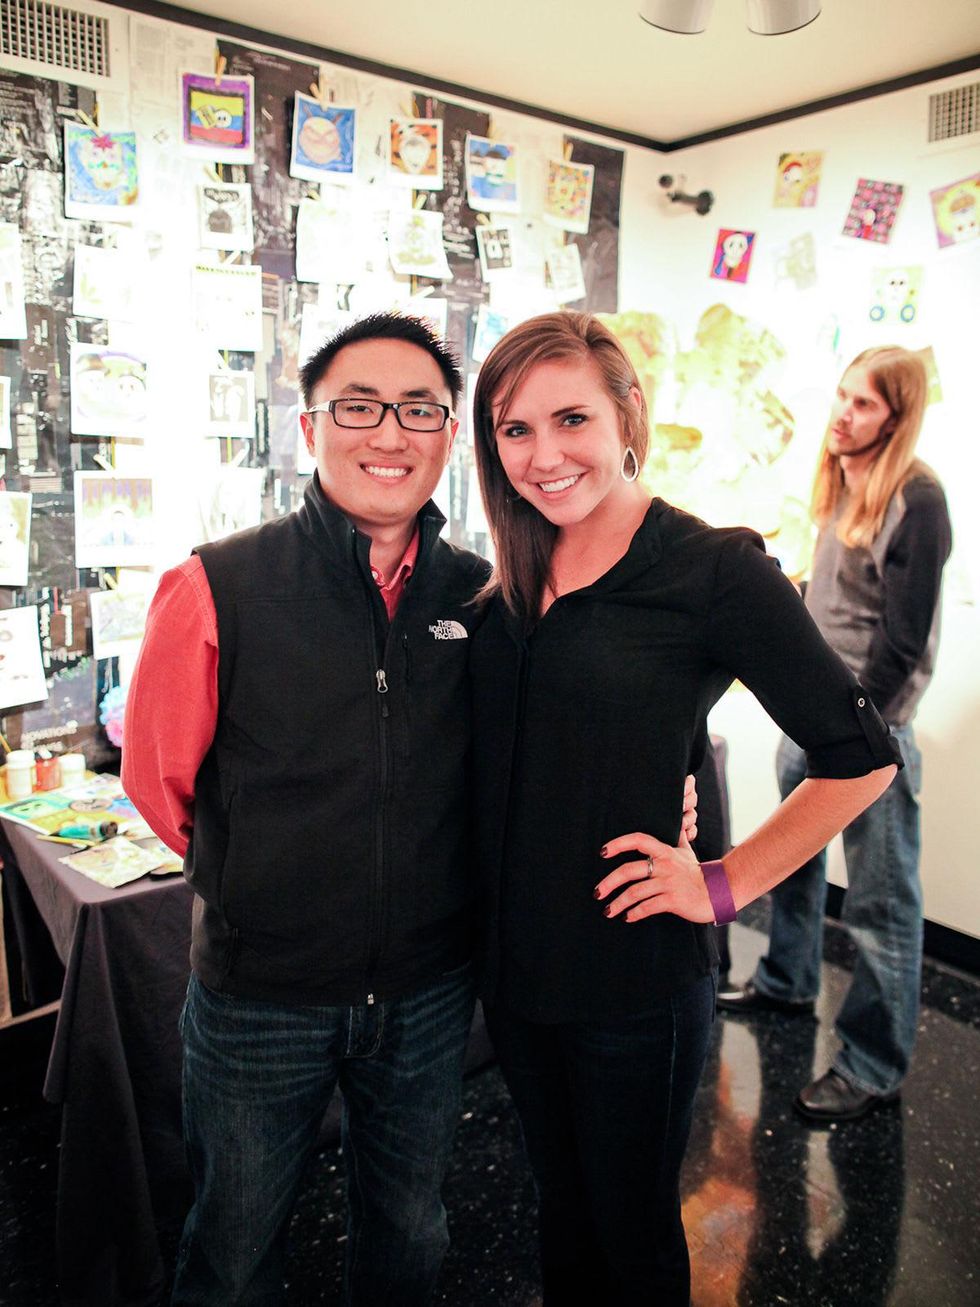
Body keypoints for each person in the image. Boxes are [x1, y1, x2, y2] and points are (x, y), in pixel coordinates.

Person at [468, 311, 901, 1306]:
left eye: (567, 417)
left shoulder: (708, 569)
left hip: (630, 973)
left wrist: (721, 879)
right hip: (514, 963)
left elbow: (859, 756)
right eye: (513, 428)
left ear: (627, 414)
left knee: (627, 1236)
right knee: (561, 1215)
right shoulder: (506, 576)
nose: (542, 454)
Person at [122, 312, 492, 1306]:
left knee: (410, 1229)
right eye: (359, 405)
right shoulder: (218, 584)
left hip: (423, 992)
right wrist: (268, 875)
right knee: (233, 1248)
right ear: (308, 426)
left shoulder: (478, 593)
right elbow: (161, 779)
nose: (389, 432)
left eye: (418, 408)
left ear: (448, 433)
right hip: (260, 995)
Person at [718, 346, 952, 1124]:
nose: (842, 415)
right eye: (843, 396)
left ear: (897, 417)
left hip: (869, 742)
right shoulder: (842, 482)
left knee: (882, 908)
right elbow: (835, 609)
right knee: (792, 867)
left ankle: (873, 1064)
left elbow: (904, 642)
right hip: (813, 725)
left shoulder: (916, 500)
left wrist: (855, 739)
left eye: (864, 405)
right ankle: (787, 982)